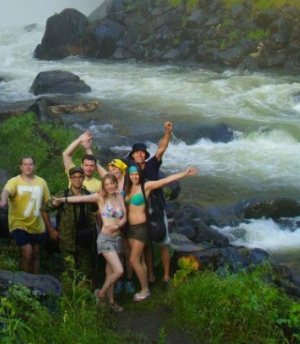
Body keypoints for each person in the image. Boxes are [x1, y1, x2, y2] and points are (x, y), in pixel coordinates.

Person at [53, 173, 127, 312]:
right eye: (107, 184)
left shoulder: (119, 196)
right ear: (103, 187)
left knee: (110, 272)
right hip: (105, 239)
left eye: (112, 183)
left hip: (117, 238)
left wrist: (118, 226)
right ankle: (101, 293)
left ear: (116, 184)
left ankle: (111, 302)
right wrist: (62, 199)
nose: (110, 186)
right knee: (119, 270)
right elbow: (80, 198)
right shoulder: (100, 197)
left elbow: (125, 217)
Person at [125, 164, 198, 302]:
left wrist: (184, 173)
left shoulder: (145, 186)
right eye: (132, 174)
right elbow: (108, 177)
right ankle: (144, 284)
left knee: (133, 260)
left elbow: (165, 181)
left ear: (140, 174)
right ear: (128, 175)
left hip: (141, 228)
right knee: (139, 259)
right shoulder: (127, 188)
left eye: (136, 174)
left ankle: (145, 290)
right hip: (130, 228)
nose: (134, 177)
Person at [129, 121, 175, 286]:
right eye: (137, 152)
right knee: (146, 245)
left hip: (156, 208)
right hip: (140, 213)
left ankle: (166, 277)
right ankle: (150, 276)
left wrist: (167, 133)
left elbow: (161, 149)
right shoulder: (132, 171)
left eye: (142, 152)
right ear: (133, 156)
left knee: (163, 242)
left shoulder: (152, 164)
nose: (140, 155)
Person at [0, 156, 56, 273]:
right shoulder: (14, 181)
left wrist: (56, 203)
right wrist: (3, 199)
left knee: (36, 254)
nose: (28, 167)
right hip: (19, 224)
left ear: (34, 166)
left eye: (30, 164)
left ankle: (35, 282)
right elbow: (6, 191)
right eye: (25, 164)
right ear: (21, 167)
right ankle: (25, 282)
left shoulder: (41, 182)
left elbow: (47, 203)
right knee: (27, 253)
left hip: (37, 225)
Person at [50, 166, 97, 277]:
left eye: (80, 177)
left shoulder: (90, 195)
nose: (77, 179)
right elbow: (44, 210)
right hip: (67, 239)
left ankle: (83, 293)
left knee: (86, 273)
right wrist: (50, 229)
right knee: (68, 272)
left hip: (85, 239)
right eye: (74, 177)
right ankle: (68, 293)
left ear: (84, 178)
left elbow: (98, 211)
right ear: (70, 179)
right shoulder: (62, 195)